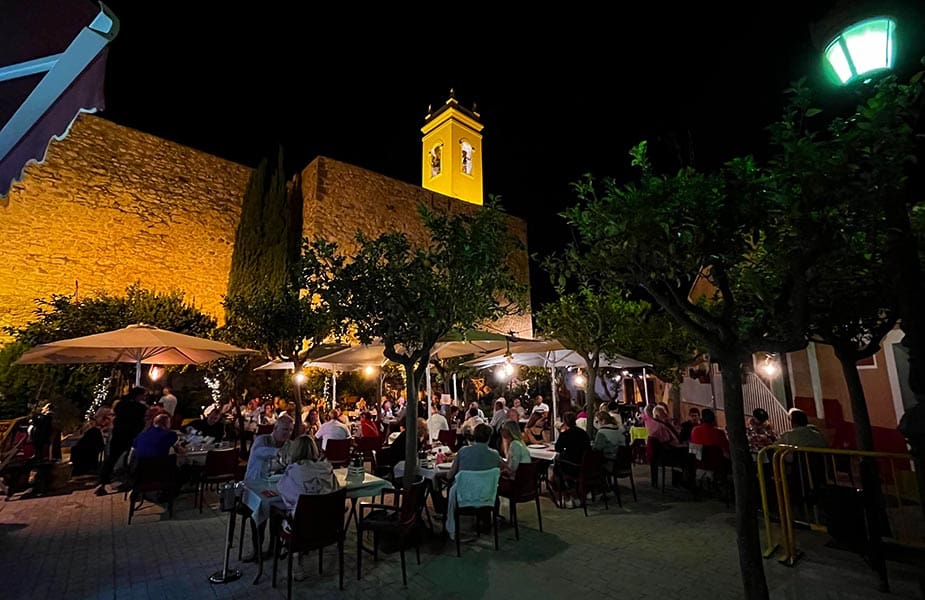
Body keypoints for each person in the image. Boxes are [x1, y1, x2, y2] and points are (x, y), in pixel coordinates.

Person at [445, 423, 507, 539]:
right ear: (489, 437)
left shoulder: (463, 452)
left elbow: (449, 476)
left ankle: (448, 519)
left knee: (450, 486)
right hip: (486, 496)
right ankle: (487, 522)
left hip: (464, 496)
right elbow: (506, 467)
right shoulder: (494, 455)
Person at [96, 387, 147, 496]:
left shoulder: (120, 405)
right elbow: (142, 422)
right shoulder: (140, 407)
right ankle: (129, 482)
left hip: (118, 435)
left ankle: (102, 484)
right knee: (130, 459)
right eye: (143, 395)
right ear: (138, 395)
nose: (145, 397)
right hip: (131, 436)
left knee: (111, 459)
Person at [277, 435, 339, 514]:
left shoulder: (294, 470)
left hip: (302, 519)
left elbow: (283, 489)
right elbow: (336, 489)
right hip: (329, 516)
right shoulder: (326, 469)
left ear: (294, 450)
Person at [553, 412, 591, 508]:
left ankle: (567, 497)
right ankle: (575, 496)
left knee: (557, 470)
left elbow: (558, 448)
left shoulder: (566, 434)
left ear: (565, 422)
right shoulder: (583, 433)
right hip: (584, 464)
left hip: (572, 465)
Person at [245, 415, 295, 481]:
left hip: (276, 485)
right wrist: (278, 452)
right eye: (285, 429)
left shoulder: (290, 445)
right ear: (275, 428)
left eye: (290, 430)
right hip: (255, 484)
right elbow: (259, 451)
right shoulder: (262, 440)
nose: (288, 433)